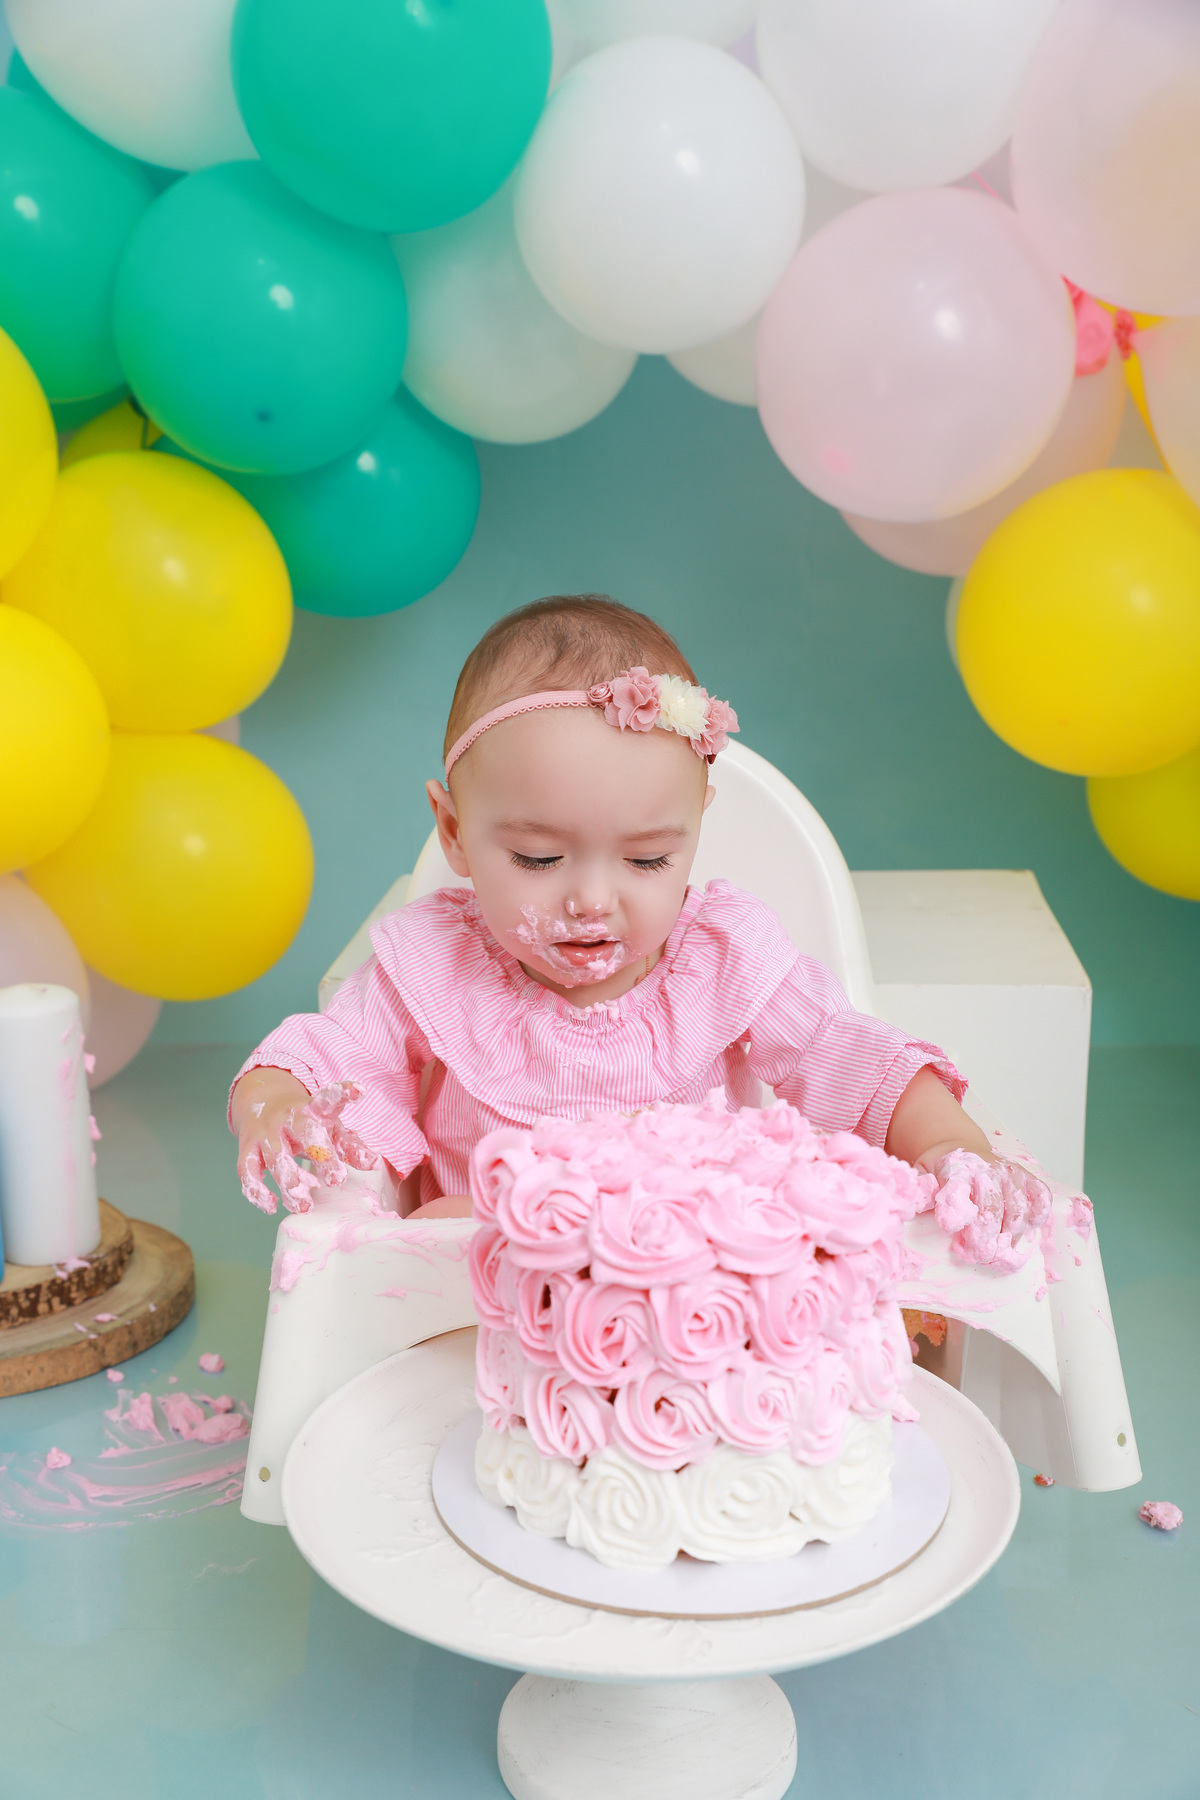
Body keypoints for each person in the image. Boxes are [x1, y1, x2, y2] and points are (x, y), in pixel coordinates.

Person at [230, 593, 1004, 1222]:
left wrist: (948, 1144)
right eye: (539, 859)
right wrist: (278, 1100)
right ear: (455, 832)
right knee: (441, 1224)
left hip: (701, 1289)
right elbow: (333, 1057)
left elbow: (846, 1053)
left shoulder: (722, 959)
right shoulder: (434, 965)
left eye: (646, 860)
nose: (591, 902)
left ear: (696, 828)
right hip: (475, 1300)